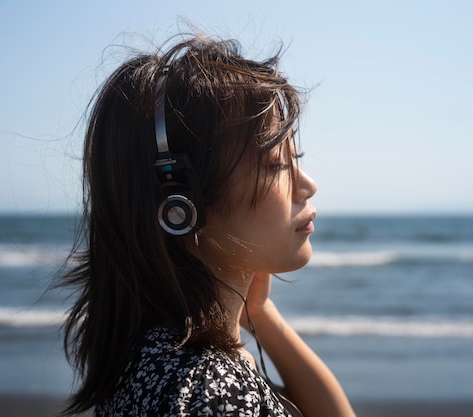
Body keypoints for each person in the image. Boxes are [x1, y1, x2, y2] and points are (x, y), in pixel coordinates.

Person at [57, 34, 356, 417]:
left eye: (294, 157)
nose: (307, 185)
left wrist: (260, 314)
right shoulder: (212, 394)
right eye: (277, 164)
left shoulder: (168, 353)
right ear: (181, 201)